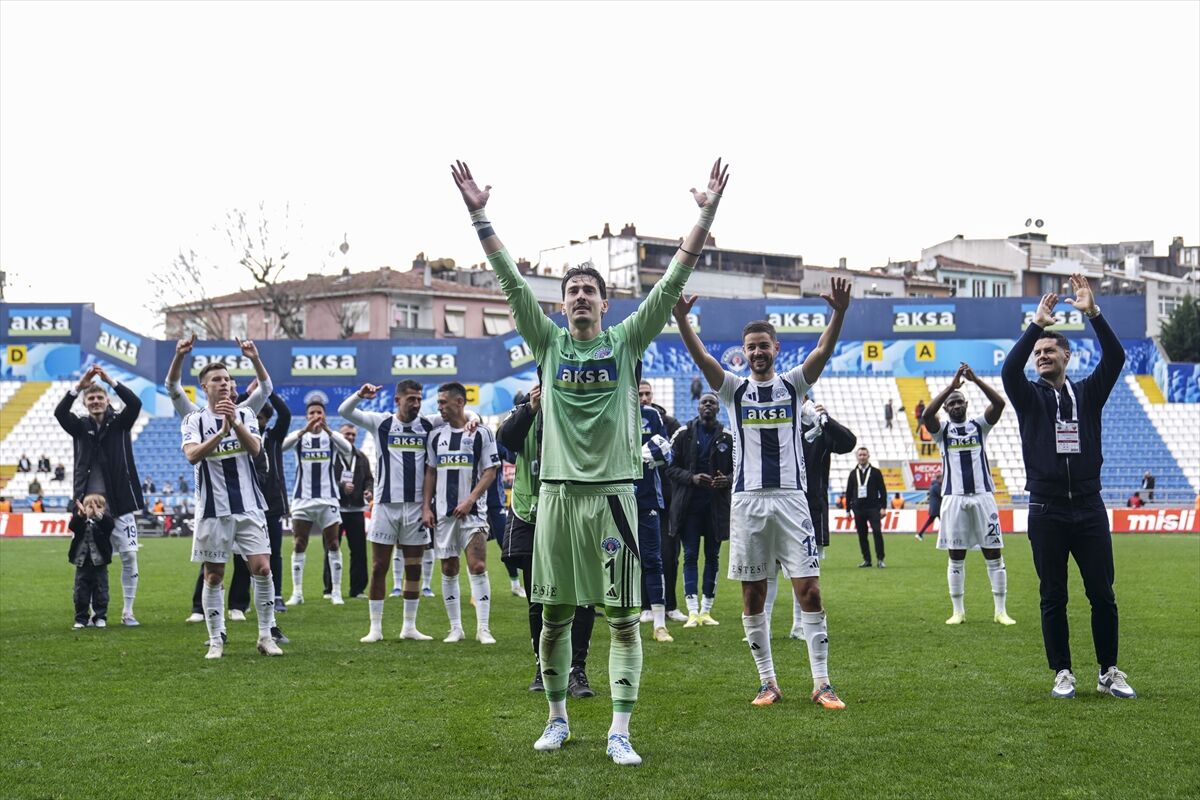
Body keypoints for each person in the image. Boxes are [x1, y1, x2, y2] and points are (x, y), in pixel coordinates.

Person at [452, 156, 729, 765]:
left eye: (589, 291)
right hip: (555, 497)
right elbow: (509, 281)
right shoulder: (547, 342)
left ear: (606, 303)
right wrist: (479, 216)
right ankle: (557, 721)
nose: (580, 296)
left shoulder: (626, 340)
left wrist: (705, 214)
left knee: (624, 621)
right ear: (562, 305)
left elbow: (672, 281)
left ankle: (619, 732)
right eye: (572, 291)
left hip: (613, 498)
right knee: (552, 617)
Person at [673, 275, 851, 710]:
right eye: (751, 346)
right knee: (752, 594)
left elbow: (822, 351)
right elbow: (701, 358)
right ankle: (767, 682)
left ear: (776, 348)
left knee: (809, 591)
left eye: (763, 346)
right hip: (748, 502)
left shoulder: (793, 385)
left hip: (791, 500)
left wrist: (839, 314)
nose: (757, 352)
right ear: (744, 351)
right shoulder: (734, 390)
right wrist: (682, 321)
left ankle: (822, 683)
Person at [1001, 275, 1134, 700]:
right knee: (1053, 595)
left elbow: (1116, 356)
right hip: (1046, 509)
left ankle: (1108, 670)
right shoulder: (1029, 398)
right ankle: (1062, 671)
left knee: (1102, 594)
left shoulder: (1089, 394)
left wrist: (1093, 313)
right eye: (1038, 353)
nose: (1042, 356)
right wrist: (1036, 325)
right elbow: (1008, 370)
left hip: (1090, 507)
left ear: (1067, 356)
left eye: (1049, 350)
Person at [498, 386, 599, 696]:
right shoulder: (527, 407)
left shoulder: (581, 403)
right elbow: (506, 440)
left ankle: (576, 669)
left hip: (577, 511)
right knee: (538, 597)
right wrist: (531, 408)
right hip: (532, 513)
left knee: (582, 594)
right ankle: (544, 667)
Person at [181, 361, 282, 659]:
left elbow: (255, 449)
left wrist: (234, 424)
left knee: (263, 569)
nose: (224, 383)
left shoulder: (246, 413)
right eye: (217, 380)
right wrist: (220, 433)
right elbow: (192, 456)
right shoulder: (194, 420)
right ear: (204, 386)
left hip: (249, 506)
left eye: (226, 379)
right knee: (214, 576)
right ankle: (216, 639)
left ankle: (266, 636)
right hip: (213, 510)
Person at [340, 380, 452, 643]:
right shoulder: (381, 423)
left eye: (419, 399)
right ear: (397, 400)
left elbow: (465, 414)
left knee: (413, 568)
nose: (416, 404)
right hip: (385, 506)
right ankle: (375, 629)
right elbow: (345, 411)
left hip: (416, 508)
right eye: (411, 399)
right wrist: (359, 394)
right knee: (379, 566)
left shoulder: (428, 424)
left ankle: (409, 627)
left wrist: (473, 420)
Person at [922, 363, 1014, 627]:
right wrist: (951, 387)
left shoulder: (979, 426)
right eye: (951, 404)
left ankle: (1000, 611)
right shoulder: (942, 433)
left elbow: (999, 404)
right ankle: (958, 611)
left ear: (966, 404)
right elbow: (927, 415)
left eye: (959, 401)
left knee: (993, 553)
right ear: (946, 409)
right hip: (954, 498)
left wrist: (976, 380)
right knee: (956, 556)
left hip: (983, 496)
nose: (955, 406)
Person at [54, 364, 145, 626]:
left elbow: (135, 403)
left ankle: (128, 611)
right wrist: (79, 386)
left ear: (107, 400)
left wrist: (110, 381)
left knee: (129, 555)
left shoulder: (120, 423)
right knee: (90, 560)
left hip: (120, 502)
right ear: (85, 403)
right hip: (87, 507)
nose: (95, 401)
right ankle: (95, 614)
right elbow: (60, 412)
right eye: (91, 398)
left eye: (99, 397)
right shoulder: (79, 426)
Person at [422, 382, 501, 643]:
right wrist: (426, 507)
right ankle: (455, 628)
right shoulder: (436, 436)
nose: (439, 407)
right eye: (438, 402)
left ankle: (483, 628)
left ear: (459, 402)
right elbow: (431, 472)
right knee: (449, 567)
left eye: (443, 402)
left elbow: (490, 471)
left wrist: (470, 499)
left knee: (477, 566)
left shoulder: (482, 433)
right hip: (444, 514)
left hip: (473, 513)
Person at [665, 393, 733, 629]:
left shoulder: (728, 437)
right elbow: (669, 468)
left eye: (712, 402)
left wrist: (727, 480)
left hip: (716, 508)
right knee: (690, 555)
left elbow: (740, 469)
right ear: (698, 407)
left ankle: (706, 610)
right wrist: (691, 478)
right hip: (689, 508)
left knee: (713, 557)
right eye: (704, 402)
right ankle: (692, 610)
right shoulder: (683, 434)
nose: (708, 405)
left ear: (718, 408)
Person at [282, 400, 353, 606]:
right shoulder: (299, 437)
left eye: (319, 412)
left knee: (333, 543)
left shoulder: (331, 437)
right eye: (312, 413)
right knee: (299, 543)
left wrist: (328, 430)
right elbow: (282, 446)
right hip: (302, 499)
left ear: (324, 416)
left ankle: (336, 592)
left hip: (328, 498)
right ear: (307, 416)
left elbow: (348, 449)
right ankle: (297, 593)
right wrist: (304, 430)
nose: (316, 416)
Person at [638, 380, 685, 624]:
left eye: (648, 393)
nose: (644, 398)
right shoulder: (625, 417)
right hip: (642, 497)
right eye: (640, 394)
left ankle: (671, 605)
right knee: (642, 553)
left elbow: (673, 457)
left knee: (669, 554)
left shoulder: (668, 423)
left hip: (667, 498)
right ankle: (645, 605)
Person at [634, 400, 674, 642]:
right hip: (613, 495)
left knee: (652, 559)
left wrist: (639, 455)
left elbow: (666, 452)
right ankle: (623, 621)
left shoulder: (650, 414)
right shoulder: (608, 405)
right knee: (615, 558)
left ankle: (660, 624)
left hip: (646, 498)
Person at [326, 424, 373, 600]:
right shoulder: (331, 456)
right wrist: (341, 486)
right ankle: (329, 588)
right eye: (347, 434)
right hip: (335, 508)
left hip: (356, 509)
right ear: (339, 436)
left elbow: (368, 478)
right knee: (331, 548)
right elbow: (325, 478)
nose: (350, 437)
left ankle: (358, 589)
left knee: (359, 551)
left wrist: (368, 490)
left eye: (353, 434)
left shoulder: (361, 457)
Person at [68, 494, 114, 628]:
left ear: (104, 509)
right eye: (90, 506)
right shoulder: (80, 523)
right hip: (82, 564)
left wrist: (99, 516)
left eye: (98, 506)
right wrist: (81, 515)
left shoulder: (104, 523)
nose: (94, 509)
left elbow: (109, 525)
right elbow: (73, 526)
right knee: (80, 593)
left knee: (101, 592)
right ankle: (81, 619)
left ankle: (100, 617)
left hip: (100, 564)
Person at [846, 447, 887, 567]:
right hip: (858, 509)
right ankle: (867, 560)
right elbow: (848, 492)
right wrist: (848, 510)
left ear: (868, 456)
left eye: (864, 455)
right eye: (860, 455)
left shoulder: (876, 472)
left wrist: (883, 507)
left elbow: (882, 490)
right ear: (857, 457)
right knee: (862, 535)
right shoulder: (853, 474)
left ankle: (880, 559)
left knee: (877, 532)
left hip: (873, 508)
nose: (862, 457)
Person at [915, 476, 942, 542]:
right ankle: (945, 536)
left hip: (933, 508)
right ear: (939, 479)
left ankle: (920, 534)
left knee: (930, 521)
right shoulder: (936, 486)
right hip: (937, 508)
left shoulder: (932, 486)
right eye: (942, 479)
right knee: (943, 522)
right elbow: (941, 495)